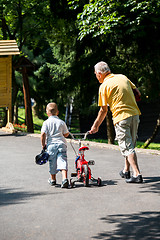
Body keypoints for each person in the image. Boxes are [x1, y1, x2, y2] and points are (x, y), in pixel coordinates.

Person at [90, 61, 143, 183]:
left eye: (95, 74)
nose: (96, 77)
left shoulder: (104, 86)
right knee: (129, 144)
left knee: (127, 146)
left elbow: (103, 110)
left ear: (99, 73)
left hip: (121, 117)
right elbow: (138, 93)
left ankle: (137, 174)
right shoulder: (123, 77)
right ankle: (126, 170)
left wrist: (95, 126)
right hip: (135, 114)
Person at [41, 102, 69, 188]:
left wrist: (43, 145)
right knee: (62, 160)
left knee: (52, 162)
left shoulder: (46, 122)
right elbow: (66, 134)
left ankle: (53, 179)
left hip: (51, 145)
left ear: (47, 113)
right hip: (61, 144)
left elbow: (43, 134)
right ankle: (64, 179)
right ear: (58, 112)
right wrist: (62, 135)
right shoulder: (61, 122)